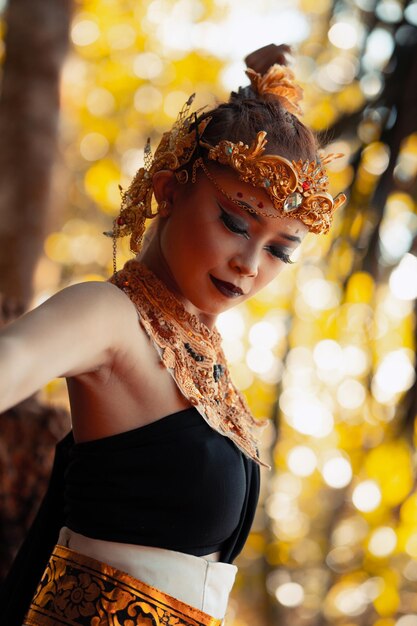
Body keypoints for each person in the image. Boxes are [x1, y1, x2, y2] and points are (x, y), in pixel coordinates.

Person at [0, 43, 346, 626]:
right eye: (236, 223)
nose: (250, 264)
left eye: (280, 251)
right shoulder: (108, 315)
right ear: (167, 192)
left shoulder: (203, 356)